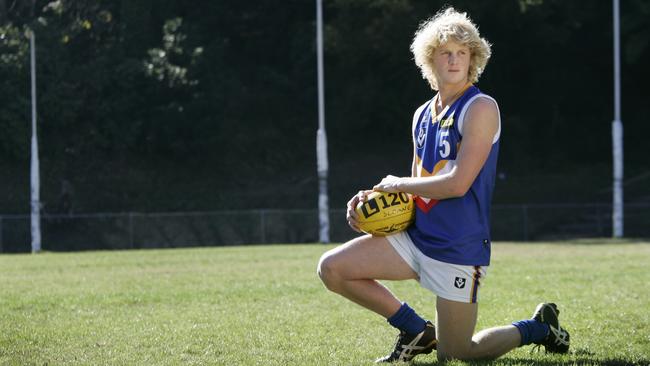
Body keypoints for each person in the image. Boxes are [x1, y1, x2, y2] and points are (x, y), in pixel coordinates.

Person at [317, 7, 570, 362]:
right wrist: (373, 201)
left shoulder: (481, 108)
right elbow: (418, 185)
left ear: (473, 59)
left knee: (458, 354)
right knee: (332, 269)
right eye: (445, 53)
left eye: (461, 53)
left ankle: (539, 327)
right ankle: (416, 330)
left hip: (457, 246)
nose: (454, 61)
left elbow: (456, 184)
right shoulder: (423, 113)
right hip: (416, 237)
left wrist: (396, 182)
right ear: (429, 60)